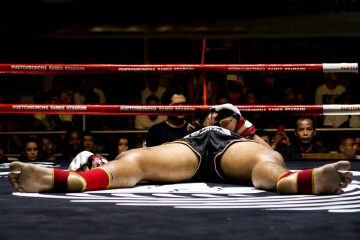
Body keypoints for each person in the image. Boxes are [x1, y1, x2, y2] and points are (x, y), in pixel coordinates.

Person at [8, 104, 352, 195]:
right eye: (213, 113)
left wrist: (242, 126)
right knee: (136, 159)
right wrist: (206, 125)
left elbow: (268, 150)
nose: (218, 115)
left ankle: (302, 181)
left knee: (268, 160)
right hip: (189, 148)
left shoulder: (242, 133)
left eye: (224, 114)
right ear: (202, 118)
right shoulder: (194, 130)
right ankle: (75, 179)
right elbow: (152, 151)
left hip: (233, 149)